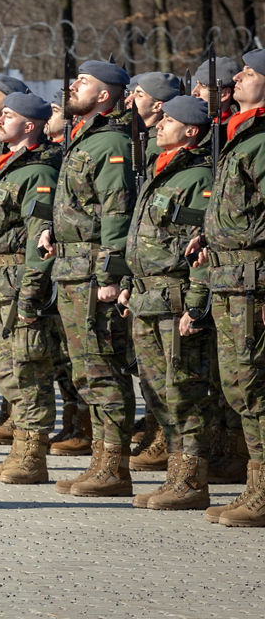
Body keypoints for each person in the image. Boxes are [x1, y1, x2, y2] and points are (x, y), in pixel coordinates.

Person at [38, 60, 137, 498]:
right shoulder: (86, 137)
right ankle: (100, 461)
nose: (72, 87)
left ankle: (113, 467)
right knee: (86, 369)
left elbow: (116, 210)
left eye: (83, 82)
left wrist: (111, 274)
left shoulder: (111, 142)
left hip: (94, 270)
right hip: (73, 267)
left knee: (103, 369)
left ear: (105, 95)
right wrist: (53, 230)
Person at [120, 96, 215, 511]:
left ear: (191, 132)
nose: (158, 124)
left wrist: (196, 305)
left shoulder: (198, 177)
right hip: (146, 296)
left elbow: (201, 251)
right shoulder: (159, 172)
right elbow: (139, 236)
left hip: (174, 298)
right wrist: (127, 281)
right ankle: (176, 474)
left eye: (169, 121)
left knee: (184, 391)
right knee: (157, 391)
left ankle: (191, 480)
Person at [189, 48, 265, 526]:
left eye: (251, 71)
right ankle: (256, 484)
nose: (237, 76)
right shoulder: (240, 134)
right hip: (230, 277)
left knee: (255, 386)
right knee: (241, 386)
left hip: (253, 281)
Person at [0, 91, 61, 484]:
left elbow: (38, 242)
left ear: (29, 125)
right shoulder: (7, 165)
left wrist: (29, 295)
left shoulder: (37, 173)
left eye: (6, 116)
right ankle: (20, 449)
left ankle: (32, 456)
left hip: (16, 286)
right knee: (8, 373)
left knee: (29, 372)